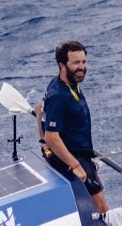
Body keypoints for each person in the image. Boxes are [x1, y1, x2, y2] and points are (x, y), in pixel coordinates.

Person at [41, 40, 109, 213]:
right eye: (76, 63)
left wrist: (42, 142)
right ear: (62, 66)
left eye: (84, 62)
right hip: (74, 158)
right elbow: (51, 136)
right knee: (101, 207)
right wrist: (76, 165)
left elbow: (39, 108)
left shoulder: (68, 83)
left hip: (81, 155)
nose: (82, 67)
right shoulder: (59, 96)